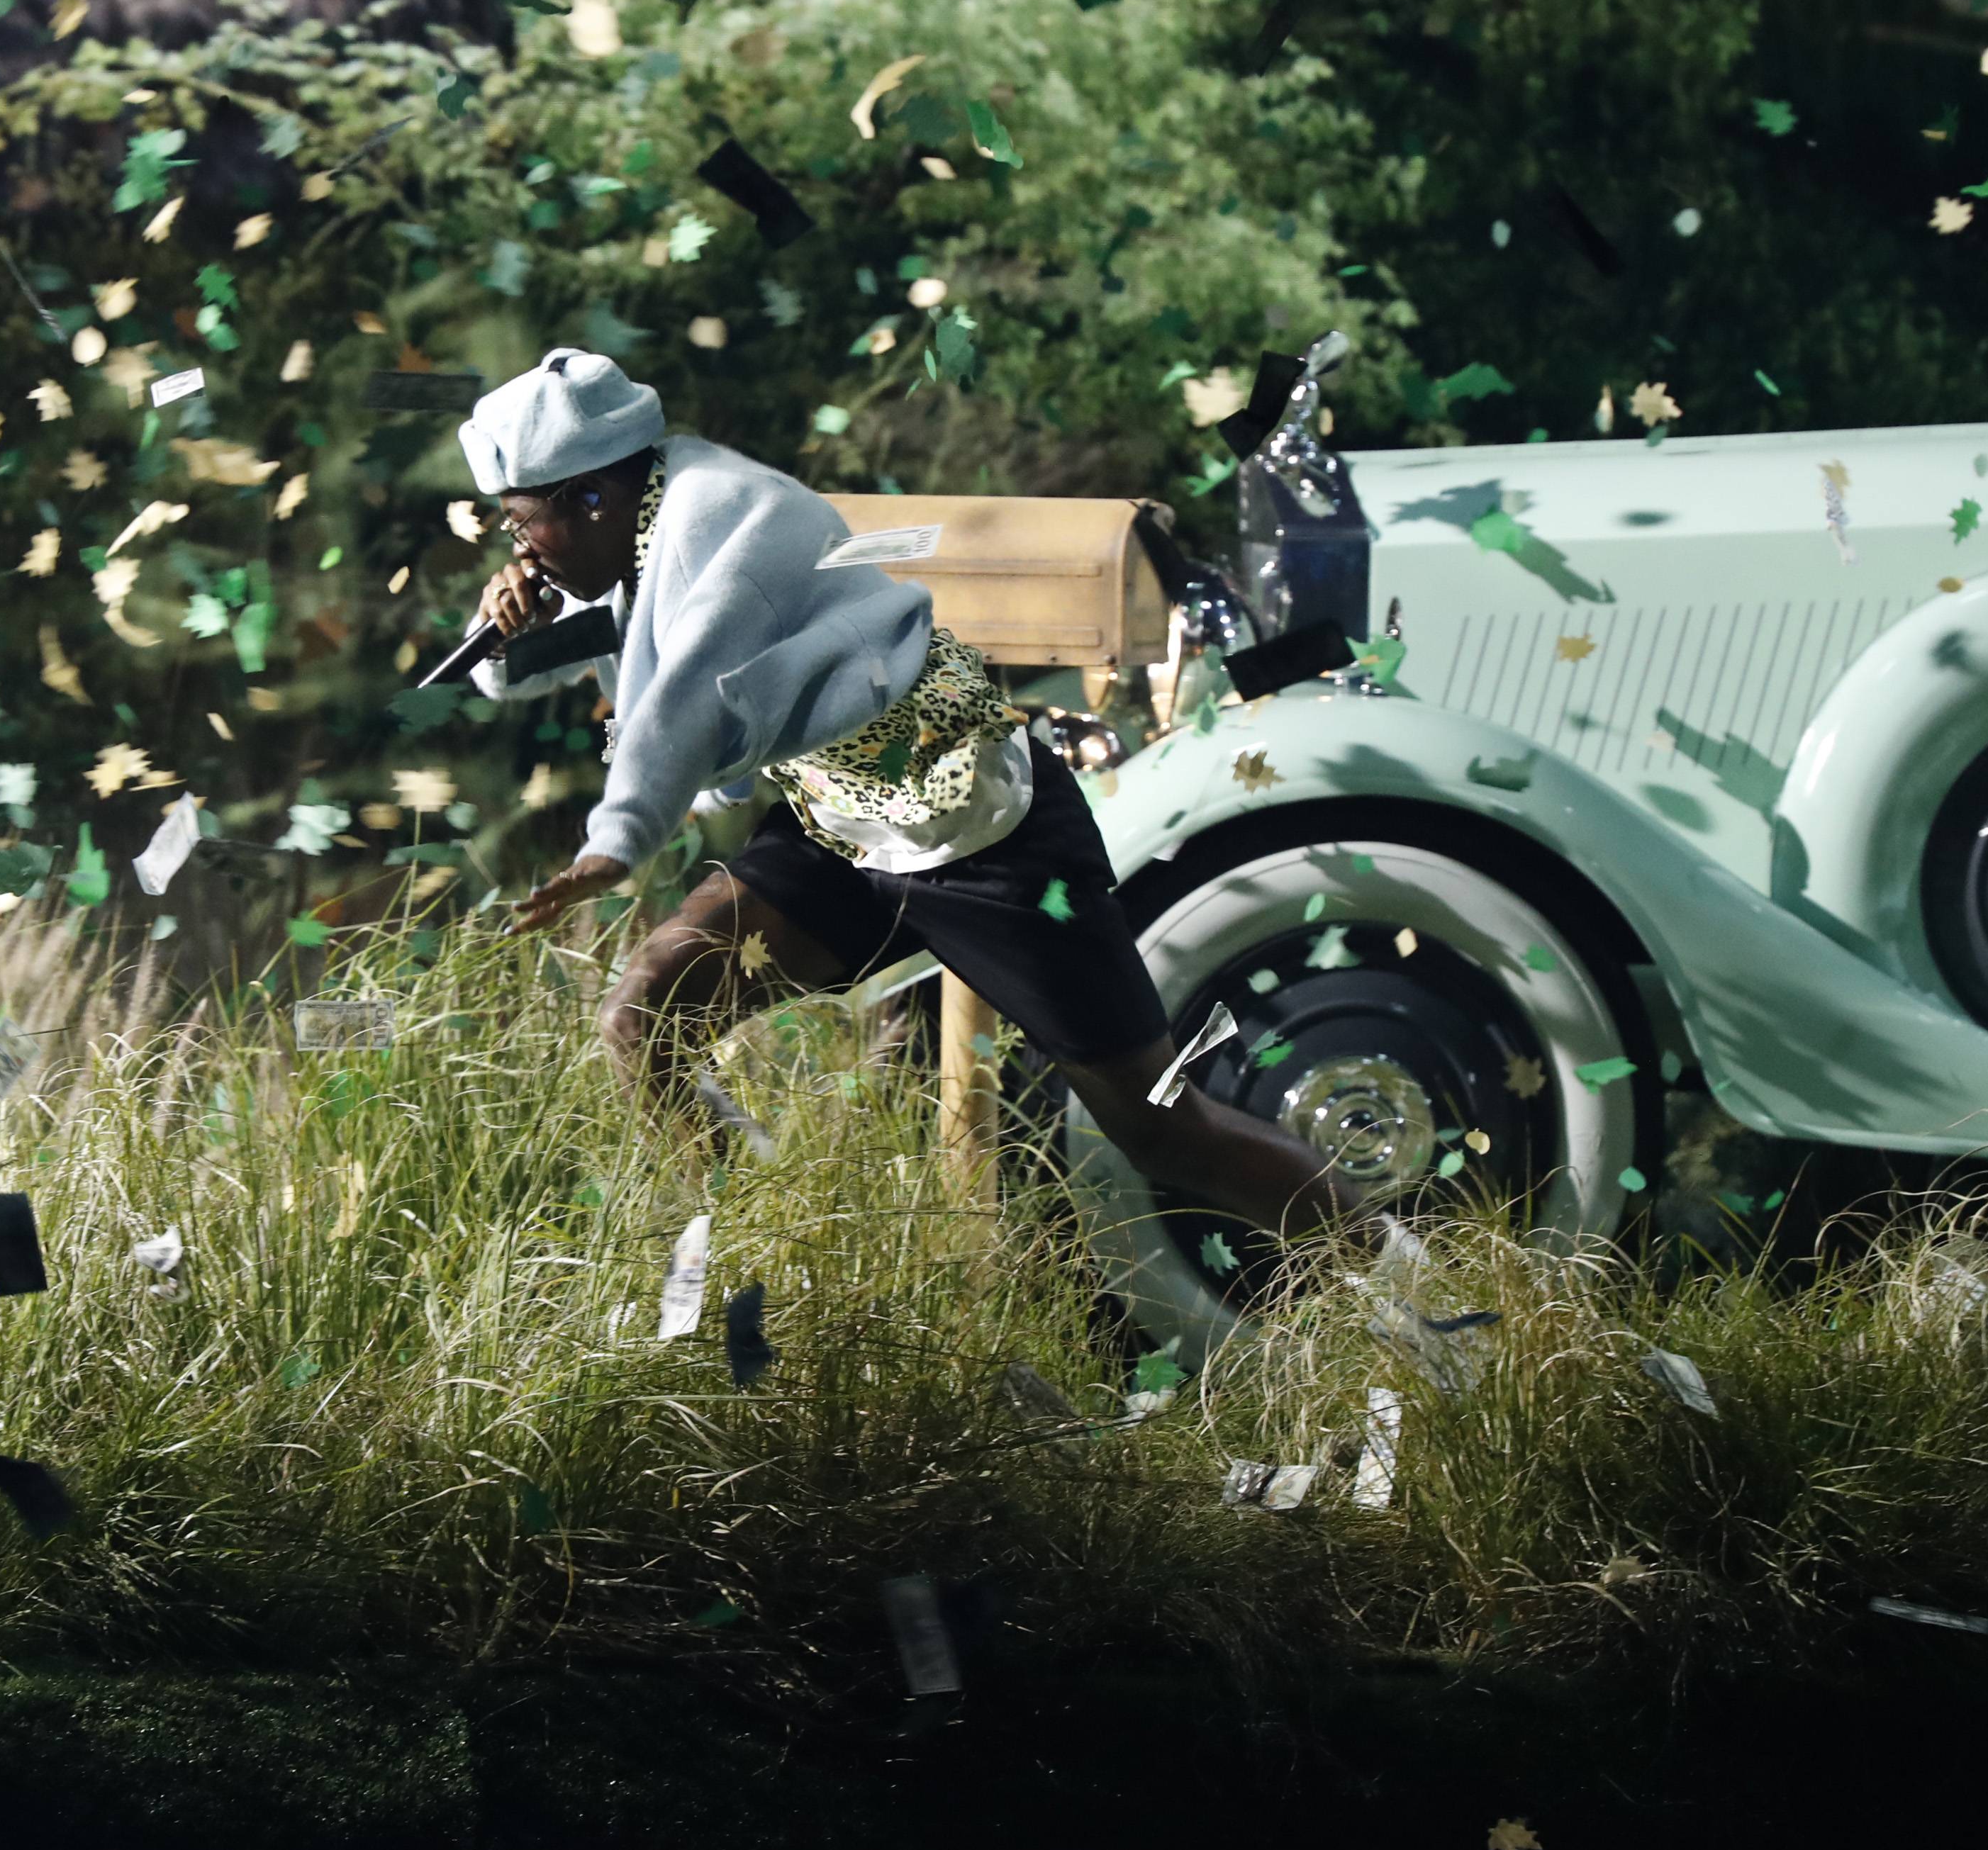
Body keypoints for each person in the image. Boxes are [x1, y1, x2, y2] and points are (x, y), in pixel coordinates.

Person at [449, 347, 1366, 1246]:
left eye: (521, 523)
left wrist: (615, 841)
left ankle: (1401, 1275)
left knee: (1163, 1130)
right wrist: (505, 636)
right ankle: (769, 1258)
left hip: (982, 834)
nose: (518, 546)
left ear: (592, 497)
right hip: (844, 829)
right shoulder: (640, 516)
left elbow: (678, 701)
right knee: (645, 1017)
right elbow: (605, 627)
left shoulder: (713, 519)